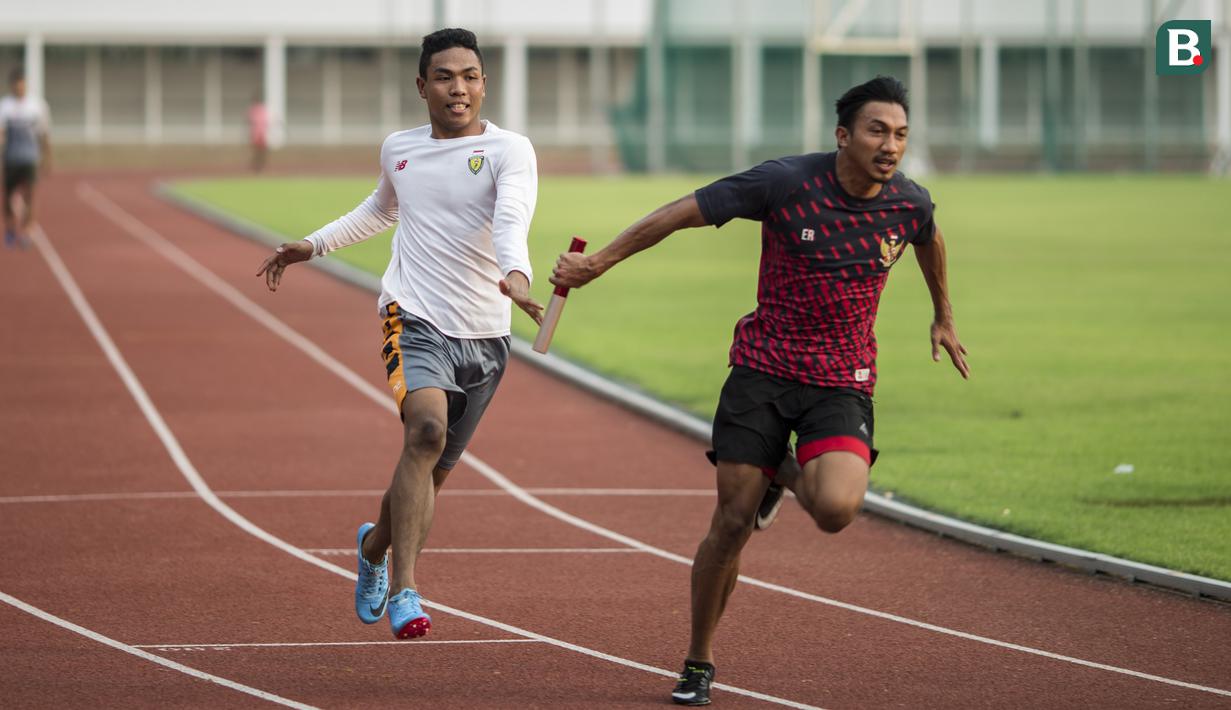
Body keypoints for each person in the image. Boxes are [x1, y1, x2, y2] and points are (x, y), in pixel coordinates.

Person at [550, 76, 968, 706]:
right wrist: (599, 262)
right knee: (732, 521)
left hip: (841, 379)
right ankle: (698, 660)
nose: (891, 145)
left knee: (834, 510)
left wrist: (944, 313)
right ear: (843, 136)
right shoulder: (785, 183)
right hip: (763, 372)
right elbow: (679, 212)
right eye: (878, 130)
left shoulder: (908, 203)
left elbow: (929, 237)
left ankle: (781, 472)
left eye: (901, 134)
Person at [256, 28, 542, 639]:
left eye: (469, 76)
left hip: (486, 336)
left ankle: (372, 549)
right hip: (412, 315)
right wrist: (314, 245)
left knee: (428, 474)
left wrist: (516, 275)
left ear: (484, 83)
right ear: (422, 86)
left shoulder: (510, 150)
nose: (458, 88)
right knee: (427, 431)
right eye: (444, 76)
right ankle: (408, 591)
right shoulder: (399, 149)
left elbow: (513, 216)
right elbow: (381, 209)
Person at [0, 67, 52, 249]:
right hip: (10, 159)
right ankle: (10, 229)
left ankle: (27, 230)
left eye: (22, 85)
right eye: (16, 86)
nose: (19, 88)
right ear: (11, 86)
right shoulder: (4, 106)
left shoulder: (37, 106)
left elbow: (44, 134)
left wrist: (47, 158)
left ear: (25, 85)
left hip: (29, 159)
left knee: (30, 195)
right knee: (7, 197)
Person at [247, 93, 270, 173]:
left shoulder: (262, 109)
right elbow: (249, 122)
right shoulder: (253, 110)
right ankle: (256, 168)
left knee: (262, 152)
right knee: (257, 152)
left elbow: (266, 122)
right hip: (256, 134)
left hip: (261, 134)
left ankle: (259, 167)